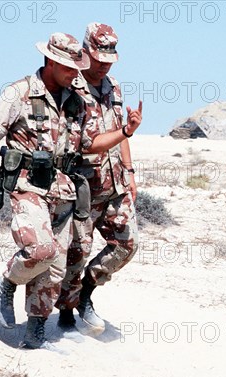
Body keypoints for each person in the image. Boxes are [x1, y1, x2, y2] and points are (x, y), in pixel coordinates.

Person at [0, 32, 141, 349]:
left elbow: (91, 145)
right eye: (68, 68)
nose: (75, 75)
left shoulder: (75, 101)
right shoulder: (18, 92)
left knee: (57, 267)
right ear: (50, 61)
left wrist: (125, 132)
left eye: (77, 69)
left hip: (63, 189)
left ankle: (35, 328)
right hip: (27, 184)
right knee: (41, 251)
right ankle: (6, 283)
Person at [55, 22, 141, 333]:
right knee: (78, 251)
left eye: (110, 61)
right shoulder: (71, 87)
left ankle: (86, 294)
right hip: (83, 184)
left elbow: (121, 133)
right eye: (99, 59)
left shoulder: (113, 87)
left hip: (115, 182)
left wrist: (129, 171)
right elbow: (86, 143)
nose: (104, 66)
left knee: (126, 244)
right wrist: (126, 131)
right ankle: (65, 311)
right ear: (86, 52)